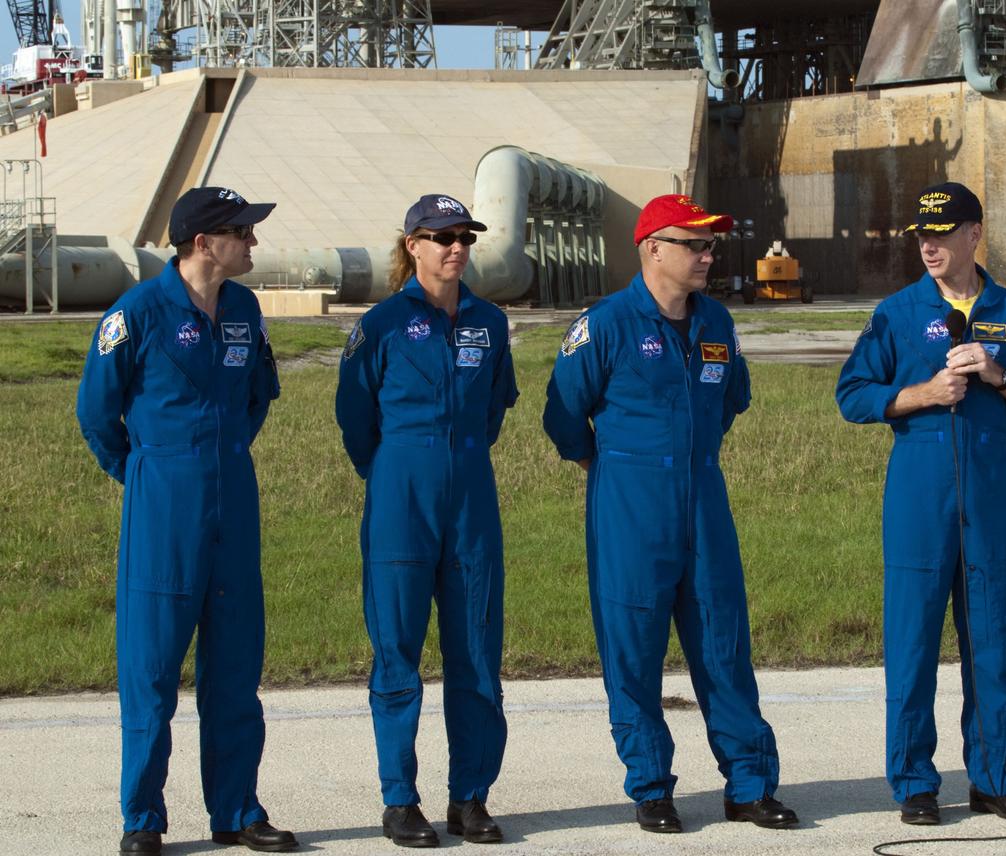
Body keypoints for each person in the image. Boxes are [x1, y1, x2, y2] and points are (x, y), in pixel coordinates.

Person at [542, 194, 799, 834]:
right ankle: (652, 786)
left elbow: (732, 397)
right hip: (629, 505)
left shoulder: (716, 322)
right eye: (696, 244)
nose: (709, 256)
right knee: (633, 651)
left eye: (711, 245)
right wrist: (609, 470)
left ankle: (748, 786)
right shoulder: (604, 325)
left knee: (724, 646)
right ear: (654, 248)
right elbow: (563, 416)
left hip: (703, 499)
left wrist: (690, 459)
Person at [835, 181, 1006, 826]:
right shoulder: (896, 313)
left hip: (990, 497)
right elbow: (852, 394)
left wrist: (1000, 376)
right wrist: (921, 394)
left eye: (942, 234)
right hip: (918, 497)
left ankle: (995, 779)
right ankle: (914, 782)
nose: (930, 246)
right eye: (922, 236)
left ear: (974, 234)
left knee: (992, 644)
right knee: (911, 647)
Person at [77, 187, 295, 854]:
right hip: (162, 507)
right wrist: (148, 474)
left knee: (234, 670)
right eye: (242, 232)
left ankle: (236, 809)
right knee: (152, 671)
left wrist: (221, 455)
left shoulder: (243, 309)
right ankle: (142, 819)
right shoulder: (135, 313)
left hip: (233, 497)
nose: (252, 243)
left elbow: (259, 394)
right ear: (203, 243)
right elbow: (96, 415)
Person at [335, 194, 518, 848]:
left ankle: (470, 797)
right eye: (441, 238)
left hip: (470, 493)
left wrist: (455, 454)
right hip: (400, 493)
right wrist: (394, 471)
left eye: (464, 237)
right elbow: (356, 419)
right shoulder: (381, 325)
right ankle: (399, 799)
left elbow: (497, 406)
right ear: (412, 244)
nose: (455, 248)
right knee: (398, 653)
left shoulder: (490, 324)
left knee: (476, 652)